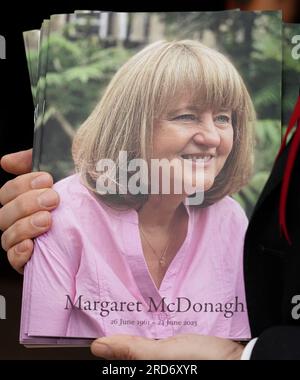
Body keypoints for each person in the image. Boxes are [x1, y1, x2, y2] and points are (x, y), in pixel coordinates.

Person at [0, 40, 255, 345]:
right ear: (133, 124)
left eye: (223, 118)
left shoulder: (230, 220)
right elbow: (38, 351)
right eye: (187, 116)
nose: (213, 137)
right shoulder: (63, 215)